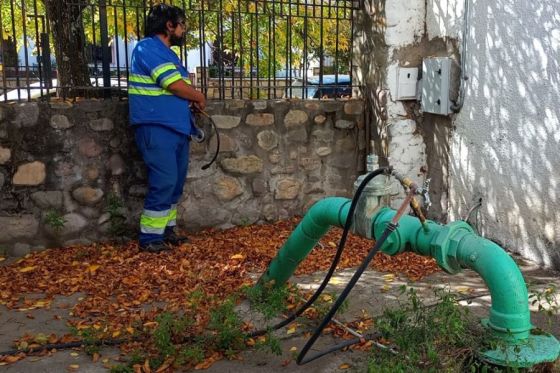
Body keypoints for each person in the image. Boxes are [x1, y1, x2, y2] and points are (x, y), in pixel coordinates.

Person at [128, 4, 206, 252]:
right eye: (181, 24)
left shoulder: (169, 54)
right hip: (156, 126)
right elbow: (172, 84)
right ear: (169, 26)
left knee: (175, 182)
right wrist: (198, 96)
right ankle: (150, 238)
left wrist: (191, 101)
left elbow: (178, 90)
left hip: (176, 128)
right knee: (164, 180)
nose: (184, 30)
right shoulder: (147, 48)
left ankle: (166, 230)